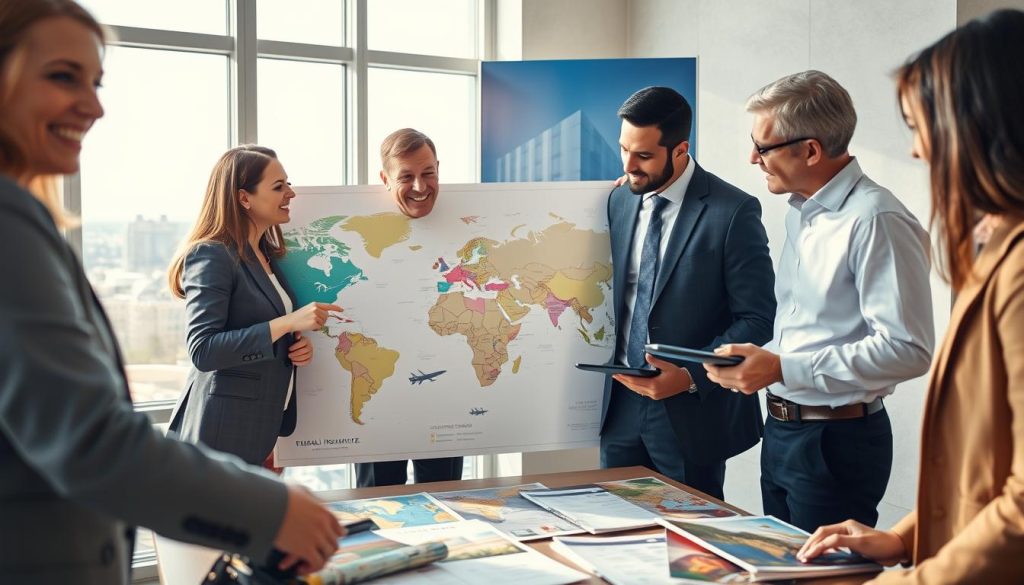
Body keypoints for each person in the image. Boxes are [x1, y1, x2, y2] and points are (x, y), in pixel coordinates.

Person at [0, 1, 343, 582]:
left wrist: (290, 346)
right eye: (63, 76)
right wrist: (273, 509)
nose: (95, 106)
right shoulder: (11, 226)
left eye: (96, 81)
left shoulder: (28, 220)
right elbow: (93, 434)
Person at [798, 10, 1024, 583]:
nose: (919, 152)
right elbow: (985, 474)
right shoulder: (996, 248)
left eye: (921, 127)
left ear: (980, 127)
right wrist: (902, 537)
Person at [705, 70, 934, 531]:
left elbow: (909, 349)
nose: (753, 158)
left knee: (825, 578)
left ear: (810, 150)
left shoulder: (876, 219)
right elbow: (814, 328)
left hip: (837, 440)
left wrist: (783, 368)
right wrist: (762, 363)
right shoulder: (803, 213)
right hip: (784, 429)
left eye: (763, 147)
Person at [601, 87, 776, 500]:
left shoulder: (733, 211)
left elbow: (758, 317)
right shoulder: (618, 199)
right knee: (616, 533)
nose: (629, 166)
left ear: (680, 150)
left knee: (689, 542)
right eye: (624, 149)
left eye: (643, 156)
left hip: (691, 413)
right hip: (619, 407)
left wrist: (690, 378)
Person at [167, 145, 341, 468]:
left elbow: (260, 328)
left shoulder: (266, 256)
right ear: (244, 198)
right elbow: (204, 350)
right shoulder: (212, 254)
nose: (290, 193)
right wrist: (287, 324)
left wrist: (294, 347)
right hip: (219, 436)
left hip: (261, 430)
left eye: (288, 183)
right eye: (279, 187)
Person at [355, 128, 464, 487]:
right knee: (379, 505)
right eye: (406, 177)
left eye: (428, 173)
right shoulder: (359, 239)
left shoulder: (465, 225)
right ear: (385, 179)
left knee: (446, 500)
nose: (420, 186)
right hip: (379, 400)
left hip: (444, 400)